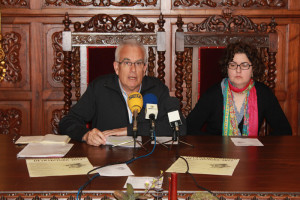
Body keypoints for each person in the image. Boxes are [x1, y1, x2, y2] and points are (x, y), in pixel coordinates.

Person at [59, 39, 186, 146]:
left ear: (144, 69)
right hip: (108, 160)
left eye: (138, 63)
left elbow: (180, 127)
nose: (133, 69)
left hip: (147, 161)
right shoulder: (100, 87)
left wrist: (129, 130)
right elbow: (67, 122)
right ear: (116, 67)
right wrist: (86, 135)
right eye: (127, 63)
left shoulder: (157, 89)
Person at [187, 42, 292, 136]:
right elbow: (189, 128)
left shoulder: (263, 93)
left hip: (252, 155)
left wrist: (262, 149)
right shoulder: (212, 94)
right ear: (226, 68)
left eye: (244, 65)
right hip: (218, 155)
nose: (238, 70)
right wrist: (215, 146)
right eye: (233, 65)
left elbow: (284, 130)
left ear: (253, 69)